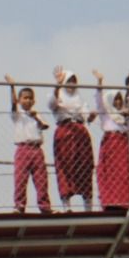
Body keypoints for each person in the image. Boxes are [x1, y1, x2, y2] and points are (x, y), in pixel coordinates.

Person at [93, 69, 129, 210]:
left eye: (119, 99)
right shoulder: (106, 114)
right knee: (111, 175)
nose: (118, 101)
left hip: (124, 147)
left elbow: (128, 99)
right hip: (111, 146)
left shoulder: (125, 114)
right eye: (115, 99)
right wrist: (99, 82)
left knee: (126, 175)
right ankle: (112, 202)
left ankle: (127, 202)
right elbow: (99, 100)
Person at [49, 68, 96, 211]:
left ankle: (88, 205)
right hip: (64, 132)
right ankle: (66, 204)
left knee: (85, 166)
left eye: (74, 81)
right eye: (68, 81)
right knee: (65, 167)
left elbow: (86, 113)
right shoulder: (58, 95)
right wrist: (57, 85)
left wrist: (91, 116)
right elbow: (52, 104)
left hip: (80, 133)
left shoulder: (79, 99)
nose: (72, 84)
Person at [4, 76, 53, 214]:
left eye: (30, 98)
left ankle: (44, 206)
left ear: (34, 101)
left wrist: (35, 117)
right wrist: (12, 87)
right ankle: (19, 205)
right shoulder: (17, 114)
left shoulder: (36, 114)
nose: (28, 100)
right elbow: (13, 104)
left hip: (37, 150)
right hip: (23, 149)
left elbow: (44, 126)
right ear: (20, 100)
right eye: (25, 98)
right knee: (20, 178)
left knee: (41, 179)